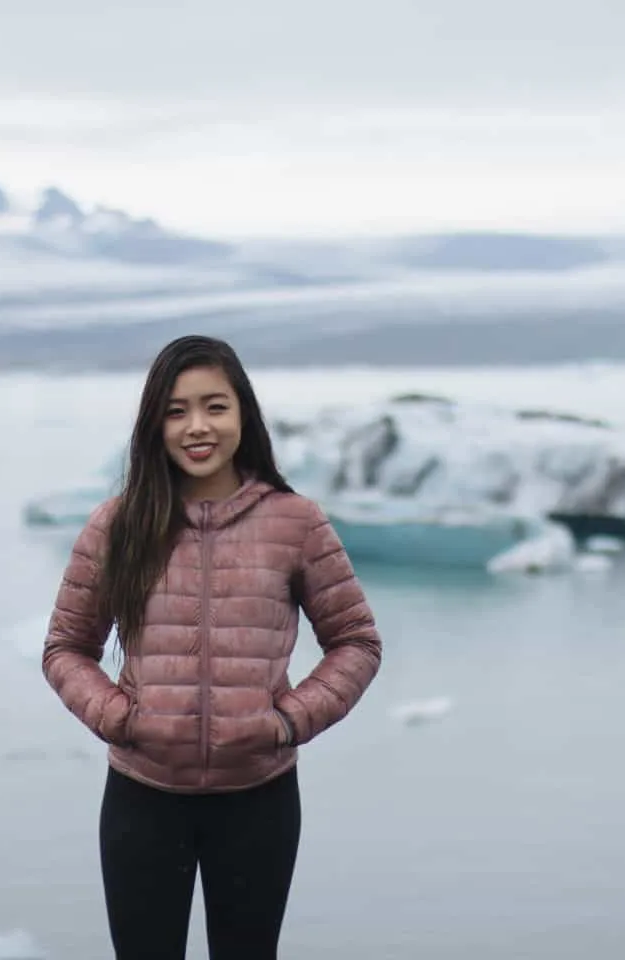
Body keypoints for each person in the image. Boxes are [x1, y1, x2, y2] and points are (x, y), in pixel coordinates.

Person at [41, 334, 383, 960]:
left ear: (242, 415)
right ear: (155, 425)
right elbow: (66, 647)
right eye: (176, 411)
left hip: (258, 800)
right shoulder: (117, 525)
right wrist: (120, 718)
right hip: (143, 798)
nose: (197, 427)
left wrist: (288, 720)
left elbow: (356, 641)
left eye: (214, 406)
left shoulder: (295, 522)